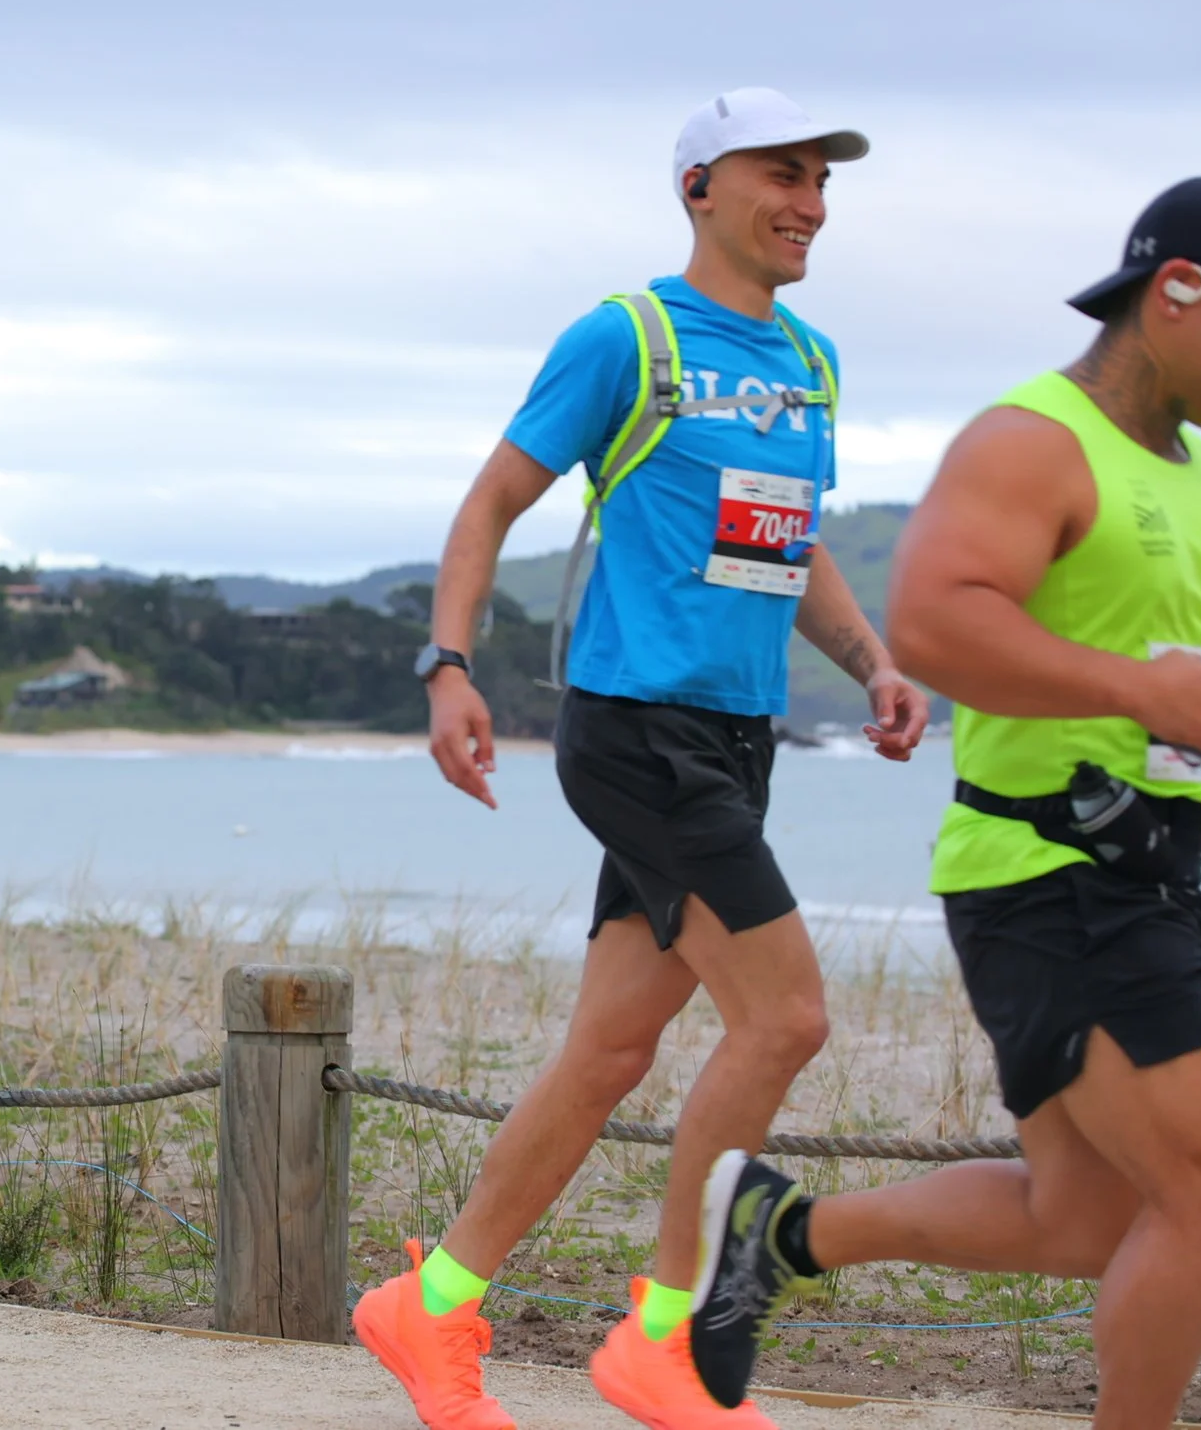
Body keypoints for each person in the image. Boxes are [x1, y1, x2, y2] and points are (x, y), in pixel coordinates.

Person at [688, 177, 1201, 1430]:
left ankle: (781, 1229)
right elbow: (934, 619)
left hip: (1154, 875)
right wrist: (1142, 690)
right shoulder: (1030, 438)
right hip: (1046, 870)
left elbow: (1175, 649)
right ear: (1176, 286)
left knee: (1082, 1214)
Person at [352, 88, 931, 1430]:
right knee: (786, 1015)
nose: (809, 203)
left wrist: (877, 662)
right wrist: (448, 668)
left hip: (737, 737)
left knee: (608, 1052)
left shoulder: (812, 361)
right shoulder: (628, 334)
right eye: (780, 174)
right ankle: (664, 1331)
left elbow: (794, 538)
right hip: (634, 728)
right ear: (699, 187)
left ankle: (430, 1299)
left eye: (821, 182)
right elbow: (493, 500)